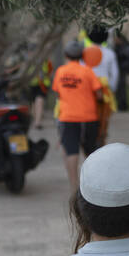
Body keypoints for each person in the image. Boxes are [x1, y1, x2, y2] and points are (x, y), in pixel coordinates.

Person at [51, 40, 102, 192]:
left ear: (66, 55)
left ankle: (74, 187)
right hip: (88, 117)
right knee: (90, 152)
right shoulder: (87, 71)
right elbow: (99, 94)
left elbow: (57, 91)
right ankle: (91, 185)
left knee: (71, 152)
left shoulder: (60, 72)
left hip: (67, 117)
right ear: (82, 55)